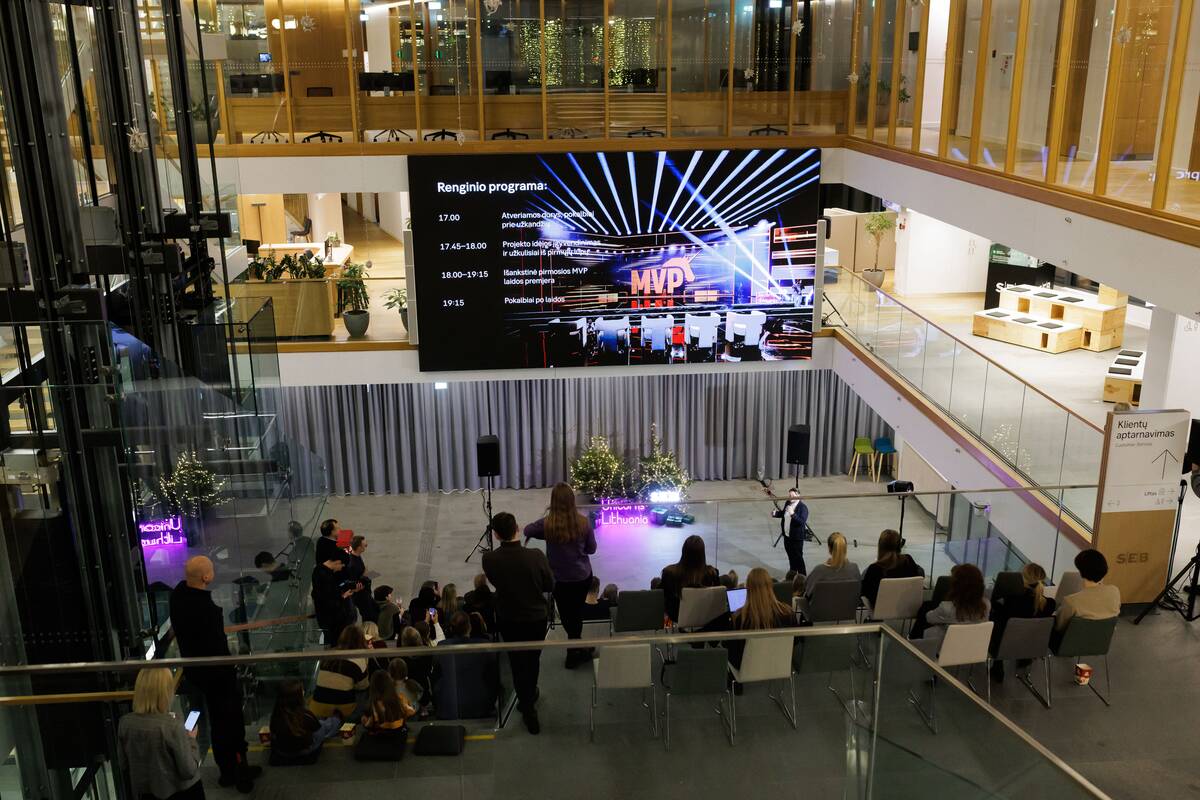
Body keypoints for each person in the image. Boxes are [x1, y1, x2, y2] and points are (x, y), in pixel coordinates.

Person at [169, 556, 259, 792]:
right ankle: (238, 770)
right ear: (206, 577)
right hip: (217, 674)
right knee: (230, 722)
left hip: (195, 672)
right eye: (211, 570)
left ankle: (226, 770)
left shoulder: (178, 596)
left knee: (213, 721)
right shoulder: (207, 610)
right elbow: (217, 645)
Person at [482, 511, 554, 734]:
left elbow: (496, 582)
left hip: (509, 618)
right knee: (532, 659)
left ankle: (526, 699)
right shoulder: (536, 556)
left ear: (495, 535)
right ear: (518, 529)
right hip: (535, 618)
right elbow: (549, 584)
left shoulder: (489, 559)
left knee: (516, 660)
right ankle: (528, 698)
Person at [524, 482, 598, 669]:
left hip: (559, 580)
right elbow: (592, 549)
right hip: (581, 577)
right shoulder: (583, 522)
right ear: (572, 500)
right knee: (576, 612)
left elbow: (527, 530)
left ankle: (575, 649)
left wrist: (547, 534)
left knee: (567, 614)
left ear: (553, 501)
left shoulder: (548, 524)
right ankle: (576, 649)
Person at [118, 668, 203, 800]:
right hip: (181, 792)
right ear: (165, 692)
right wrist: (191, 740)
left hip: (146, 793)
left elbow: (123, 763)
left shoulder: (125, 723)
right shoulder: (172, 726)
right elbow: (188, 771)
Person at [990, 562, 1056, 682]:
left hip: (1005, 647)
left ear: (1022, 578)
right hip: (1033, 647)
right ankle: (1024, 658)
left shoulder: (1011, 601)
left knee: (996, 621)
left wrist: (995, 604)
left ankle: (998, 664)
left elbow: (997, 621)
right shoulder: (1050, 604)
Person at [726, 567, 800, 669]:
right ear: (770, 586)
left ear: (748, 589)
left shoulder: (739, 618)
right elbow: (795, 643)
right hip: (780, 667)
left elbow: (732, 653)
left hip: (748, 670)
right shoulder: (788, 613)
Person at [435, 611, 500, 719]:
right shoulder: (484, 646)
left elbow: (436, 677)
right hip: (478, 705)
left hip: (449, 705)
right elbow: (494, 679)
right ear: (469, 627)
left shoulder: (442, 646)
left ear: (451, 629)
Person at [268, 679, 342, 765]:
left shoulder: (276, 715)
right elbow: (319, 735)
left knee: (319, 723)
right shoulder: (306, 716)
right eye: (302, 691)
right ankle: (337, 719)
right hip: (304, 752)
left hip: (282, 753)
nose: (304, 692)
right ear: (297, 698)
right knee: (324, 726)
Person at [915, 563, 989, 642]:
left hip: (943, 645)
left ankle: (912, 642)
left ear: (956, 586)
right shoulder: (986, 606)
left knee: (925, 610)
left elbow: (929, 618)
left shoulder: (946, 608)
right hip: (972, 645)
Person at [309, 625, 370, 718]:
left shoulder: (329, 655)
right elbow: (363, 687)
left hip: (317, 707)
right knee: (364, 692)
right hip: (341, 711)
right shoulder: (359, 658)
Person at [1055, 549, 1121, 635]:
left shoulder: (1071, 601)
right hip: (1102, 639)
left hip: (1072, 641)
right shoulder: (1114, 592)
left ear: (1081, 572)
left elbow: (1059, 627)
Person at [660, 535, 720, 623]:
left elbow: (661, 599)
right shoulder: (712, 574)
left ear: (683, 551)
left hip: (676, 618)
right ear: (702, 554)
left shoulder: (668, 573)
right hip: (705, 620)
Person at [355, 671, 413, 761]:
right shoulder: (400, 698)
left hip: (378, 734)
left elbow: (367, 725)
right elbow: (410, 712)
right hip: (397, 733)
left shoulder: (371, 704)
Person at [860, 529, 925, 608]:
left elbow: (865, 593)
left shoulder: (874, 569)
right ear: (899, 546)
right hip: (907, 608)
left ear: (880, 546)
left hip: (881, 610)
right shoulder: (908, 560)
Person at [311, 557, 356, 646]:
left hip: (335, 620)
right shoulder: (323, 575)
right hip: (333, 622)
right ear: (337, 562)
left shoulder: (325, 573)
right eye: (342, 565)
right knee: (337, 644)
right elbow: (328, 601)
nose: (341, 568)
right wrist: (343, 596)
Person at [805, 532, 861, 600]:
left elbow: (808, 592)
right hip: (848, 606)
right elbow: (858, 592)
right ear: (845, 548)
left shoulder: (819, 570)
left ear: (829, 549)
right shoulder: (854, 569)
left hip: (822, 606)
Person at [772, 488, 809, 575]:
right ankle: (792, 574)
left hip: (796, 538)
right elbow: (783, 514)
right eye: (789, 495)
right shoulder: (788, 503)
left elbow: (801, 522)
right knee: (791, 557)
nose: (790, 497)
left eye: (792, 495)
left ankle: (802, 577)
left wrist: (793, 514)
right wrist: (775, 514)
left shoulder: (803, 508)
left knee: (798, 558)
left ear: (798, 495)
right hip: (787, 536)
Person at [399, 626, 437, 711]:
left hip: (408, 692)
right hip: (424, 687)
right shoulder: (426, 652)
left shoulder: (400, 655)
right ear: (418, 637)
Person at [345, 535, 377, 624]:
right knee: (370, 617)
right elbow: (353, 582)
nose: (366, 546)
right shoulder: (352, 563)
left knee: (374, 611)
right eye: (365, 545)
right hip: (360, 595)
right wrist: (365, 575)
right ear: (359, 547)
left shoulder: (357, 556)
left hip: (364, 592)